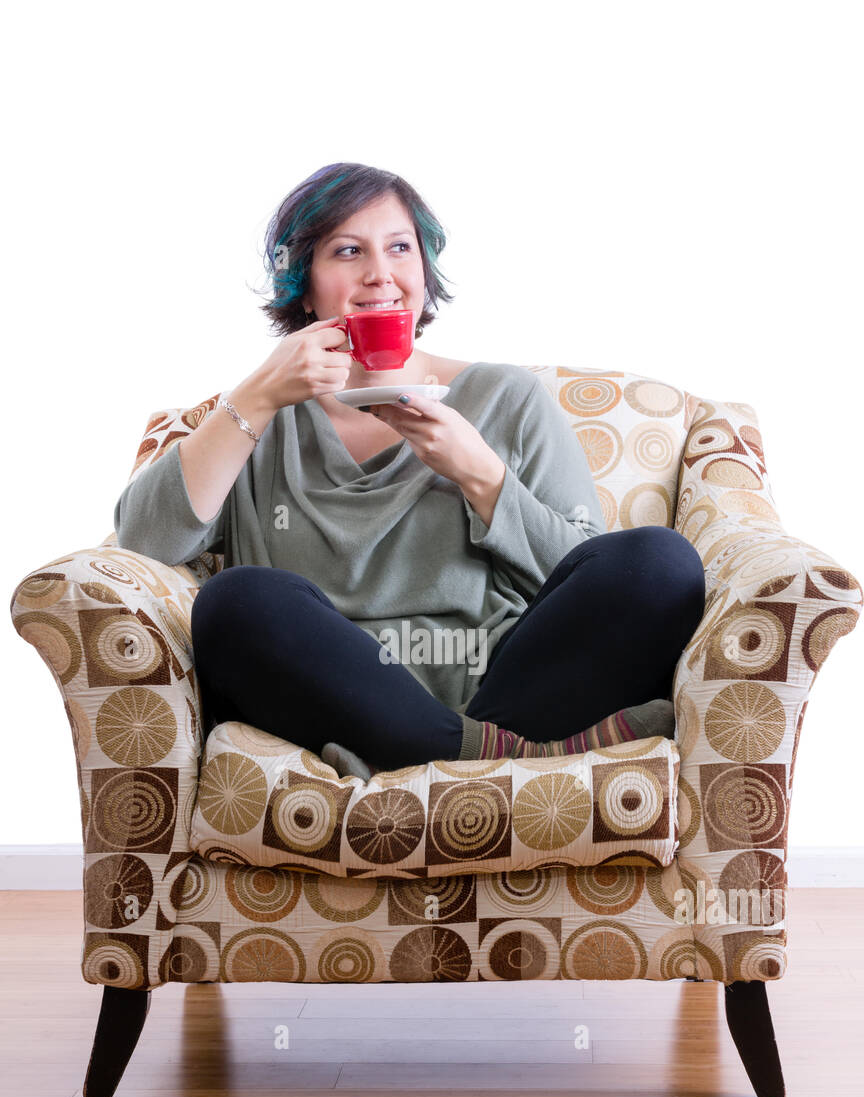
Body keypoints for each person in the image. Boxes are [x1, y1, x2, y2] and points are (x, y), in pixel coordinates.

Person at [114, 162, 706, 780]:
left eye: (400, 247)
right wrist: (260, 395)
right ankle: (480, 755)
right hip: (337, 698)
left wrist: (482, 476)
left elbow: (588, 581)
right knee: (234, 602)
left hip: (511, 686)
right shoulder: (256, 420)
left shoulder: (506, 397)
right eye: (348, 251)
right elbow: (146, 544)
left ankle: (427, 749)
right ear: (304, 285)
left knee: (660, 562)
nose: (381, 274)